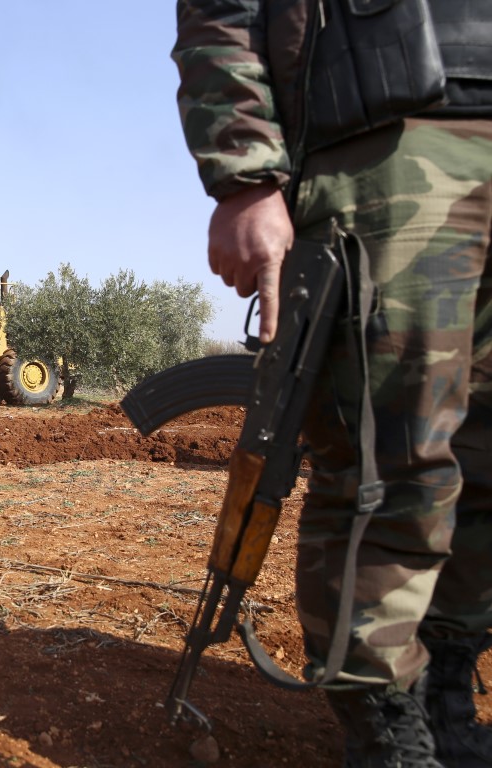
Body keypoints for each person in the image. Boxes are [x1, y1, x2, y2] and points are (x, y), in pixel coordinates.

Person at [173, 2, 492, 766]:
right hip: (388, 139)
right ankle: (385, 723)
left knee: (484, 459)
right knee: (388, 460)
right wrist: (242, 171)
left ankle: (445, 685)